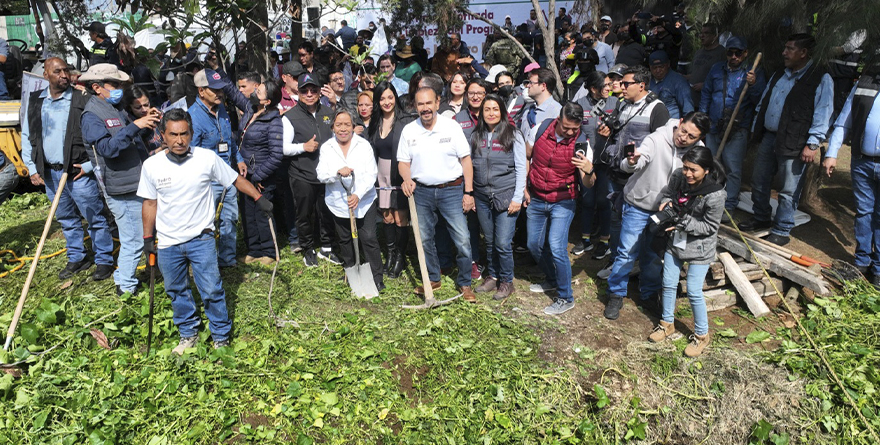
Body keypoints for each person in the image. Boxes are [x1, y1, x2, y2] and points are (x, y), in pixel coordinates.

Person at [139, 108, 272, 353]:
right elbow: (149, 203)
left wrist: (258, 198)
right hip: (168, 242)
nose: (179, 140)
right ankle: (188, 333)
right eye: (173, 135)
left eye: (184, 134)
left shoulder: (206, 158)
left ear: (191, 133)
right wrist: (148, 238)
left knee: (211, 288)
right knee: (176, 290)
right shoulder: (151, 166)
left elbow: (234, 179)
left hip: (201, 238)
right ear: (162, 135)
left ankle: (221, 335)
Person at [603, 112, 711, 321]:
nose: (684, 138)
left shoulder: (699, 152)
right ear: (679, 123)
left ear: (699, 138)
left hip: (666, 212)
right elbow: (635, 161)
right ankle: (616, 293)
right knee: (627, 252)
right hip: (638, 204)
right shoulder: (656, 138)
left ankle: (649, 295)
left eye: (691, 137)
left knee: (653, 255)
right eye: (684, 131)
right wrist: (632, 160)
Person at [20, 58, 115, 281]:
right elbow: (27, 135)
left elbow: (102, 135)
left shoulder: (83, 99)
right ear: (45, 75)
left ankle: (104, 260)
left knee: (95, 218)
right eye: (57, 71)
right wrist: (33, 168)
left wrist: (90, 166)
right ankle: (77, 257)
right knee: (65, 218)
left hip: (78, 172)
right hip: (50, 174)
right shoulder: (36, 101)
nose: (64, 75)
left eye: (66, 70)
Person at [741, 34, 833, 246]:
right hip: (770, 137)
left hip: (796, 141)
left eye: (790, 49)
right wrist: (758, 125)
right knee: (759, 180)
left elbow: (823, 112)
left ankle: (782, 228)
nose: (784, 53)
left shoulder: (820, 77)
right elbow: (765, 100)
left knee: (789, 189)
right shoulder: (779, 74)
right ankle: (761, 218)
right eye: (785, 48)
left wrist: (812, 144)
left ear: (803, 53)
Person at [81, 63, 159, 294]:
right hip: (120, 188)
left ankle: (150, 271)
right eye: (113, 84)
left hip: (135, 182)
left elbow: (130, 140)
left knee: (147, 233)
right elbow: (107, 149)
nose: (118, 89)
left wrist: (146, 124)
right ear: (97, 87)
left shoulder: (115, 108)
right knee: (134, 240)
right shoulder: (91, 116)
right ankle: (124, 286)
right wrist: (135, 126)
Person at [398, 87, 477, 303]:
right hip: (421, 191)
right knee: (424, 238)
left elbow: (466, 160)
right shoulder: (409, 130)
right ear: (415, 106)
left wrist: (468, 192)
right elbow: (403, 162)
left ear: (437, 103)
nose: (425, 108)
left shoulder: (451, 127)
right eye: (420, 104)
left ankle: (465, 283)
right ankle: (433, 278)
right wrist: (407, 179)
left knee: (462, 238)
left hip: (451, 190)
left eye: (428, 103)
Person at [649, 146, 726, 357]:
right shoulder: (679, 177)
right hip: (676, 243)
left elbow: (710, 227)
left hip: (700, 248)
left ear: (707, 170)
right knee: (668, 283)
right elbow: (668, 193)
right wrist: (665, 203)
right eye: (685, 168)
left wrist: (683, 221)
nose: (688, 174)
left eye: (694, 170)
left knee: (693, 291)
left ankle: (702, 335)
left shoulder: (716, 195)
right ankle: (667, 324)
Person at [595, 66, 670, 280]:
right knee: (615, 219)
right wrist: (606, 133)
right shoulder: (622, 104)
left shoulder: (657, 109)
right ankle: (616, 260)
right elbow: (617, 134)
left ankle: (638, 264)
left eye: (626, 83)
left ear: (641, 85)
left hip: (640, 177)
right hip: (616, 171)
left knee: (639, 223)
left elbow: (661, 145)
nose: (621, 87)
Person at [526, 102, 594, 315]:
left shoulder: (581, 144)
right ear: (558, 119)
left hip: (563, 200)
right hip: (536, 196)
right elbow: (526, 156)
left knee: (556, 246)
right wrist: (525, 187)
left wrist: (589, 170)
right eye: (566, 127)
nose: (571, 132)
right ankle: (552, 279)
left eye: (575, 128)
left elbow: (588, 183)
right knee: (533, 244)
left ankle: (566, 297)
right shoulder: (540, 128)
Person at [823, 70, 880, 284]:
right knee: (864, 212)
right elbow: (843, 122)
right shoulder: (864, 84)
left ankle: (879, 269)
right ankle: (862, 261)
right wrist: (831, 153)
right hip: (861, 162)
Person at [317, 109, 383, 290]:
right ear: (332, 127)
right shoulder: (327, 148)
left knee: (368, 237)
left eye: (347, 125)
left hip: (364, 200)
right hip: (338, 202)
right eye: (339, 125)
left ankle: (376, 277)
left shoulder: (364, 146)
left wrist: (358, 194)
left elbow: (372, 174)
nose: (343, 129)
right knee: (345, 239)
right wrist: (336, 173)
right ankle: (351, 272)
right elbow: (321, 175)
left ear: (354, 126)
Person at [188, 69, 247, 268]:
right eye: (214, 90)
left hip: (227, 175)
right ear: (201, 91)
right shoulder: (193, 117)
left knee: (230, 218)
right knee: (205, 223)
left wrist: (237, 158)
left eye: (221, 89)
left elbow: (229, 138)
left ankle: (227, 259)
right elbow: (190, 153)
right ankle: (204, 261)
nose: (219, 93)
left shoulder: (222, 109)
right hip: (206, 180)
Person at [469, 94, 527, 300]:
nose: (491, 113)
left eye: (495, 109)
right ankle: (492, 276)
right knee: (491, 241)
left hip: (506, 196)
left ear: (502, 112)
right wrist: (471, 194)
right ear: (482, 113)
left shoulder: (513, 134)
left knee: (503, 242)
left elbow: (521, 167)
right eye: (487, 110)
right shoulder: (476, 136)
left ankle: (506, 281)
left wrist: (517, 198)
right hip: (482, 196)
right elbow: (470, 166)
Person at [699, 36, 766, 216]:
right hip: (714, 125)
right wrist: (703, 119)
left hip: (737, 128)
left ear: (745, 53)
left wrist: (752, 85)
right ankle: (709, 198)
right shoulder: (716, 69)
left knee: (732, 168)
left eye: (738, 53)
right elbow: (706, 93)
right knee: (712, 164)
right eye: (730, 52)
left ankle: (729, 204)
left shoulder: (752, 73)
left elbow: (760, 100)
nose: (734, 56)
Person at [283, 73, 341, 266]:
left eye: (313, 90)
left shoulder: (328, 112)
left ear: (319, 91)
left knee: (326, 211)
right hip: (302, 174)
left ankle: (327, 247)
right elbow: (283, 147)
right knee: (304, 213)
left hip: (325, 174)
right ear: (298, 92)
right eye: (304, 90)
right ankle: (308, 248)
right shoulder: (290, 117)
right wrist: (303, 147)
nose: (309, 94)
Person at [237, 79, 284, 264]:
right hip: (245, 174)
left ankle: (269, 251)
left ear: (267, 101)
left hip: (262, 176)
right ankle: (254, 249)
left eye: (261, 91)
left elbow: (276, 155)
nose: (256, 90)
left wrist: (257, 176)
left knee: (262, 213)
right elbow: (234, 94)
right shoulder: (251, 111)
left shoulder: (274, 121)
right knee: (248, 213)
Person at [368, 82, 412, 278]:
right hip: (381, 173)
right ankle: (391, 254)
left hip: (398, 172)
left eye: (390, 97)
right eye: (382, 98)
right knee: (386, 216)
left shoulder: (404, 122)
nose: (387, 102)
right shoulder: (375, 121)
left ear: (395, 97)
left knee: (400, 217)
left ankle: (400, 257)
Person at [573, 71, 616, 259]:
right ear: (593, 89)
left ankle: (605, 241)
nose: (609, 88)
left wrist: (612, 131)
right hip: (587, 162)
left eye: (609, 84)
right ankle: (585, 239)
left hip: (607, 161)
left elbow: (622, 129)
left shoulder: (616, 104)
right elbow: (574, 131)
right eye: (604, 85)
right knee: (587, 200)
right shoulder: (580, 105)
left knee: (604, 200)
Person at [687, 24, 727, 107]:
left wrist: (705, 85)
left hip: (709, 100)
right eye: (701, 33)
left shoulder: (722, 53)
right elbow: (693, 73)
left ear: (714, 36)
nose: (702, 36)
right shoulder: (698, 52)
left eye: (706, 33)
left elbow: (725, 76)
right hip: (693, 99)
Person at [649, 51, 694, 119]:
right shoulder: (647, 80)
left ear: (668, 64)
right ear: (650, 67)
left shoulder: (679, 82)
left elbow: (688, 109)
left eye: (661, 67)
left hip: (671, 124)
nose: (658, 70)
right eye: (654, 68)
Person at [122, 86, 163, 153]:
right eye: (138, 107)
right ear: (130, 107)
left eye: (146, 105)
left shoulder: (156, 113)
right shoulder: (128, 123)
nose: (144, 110)